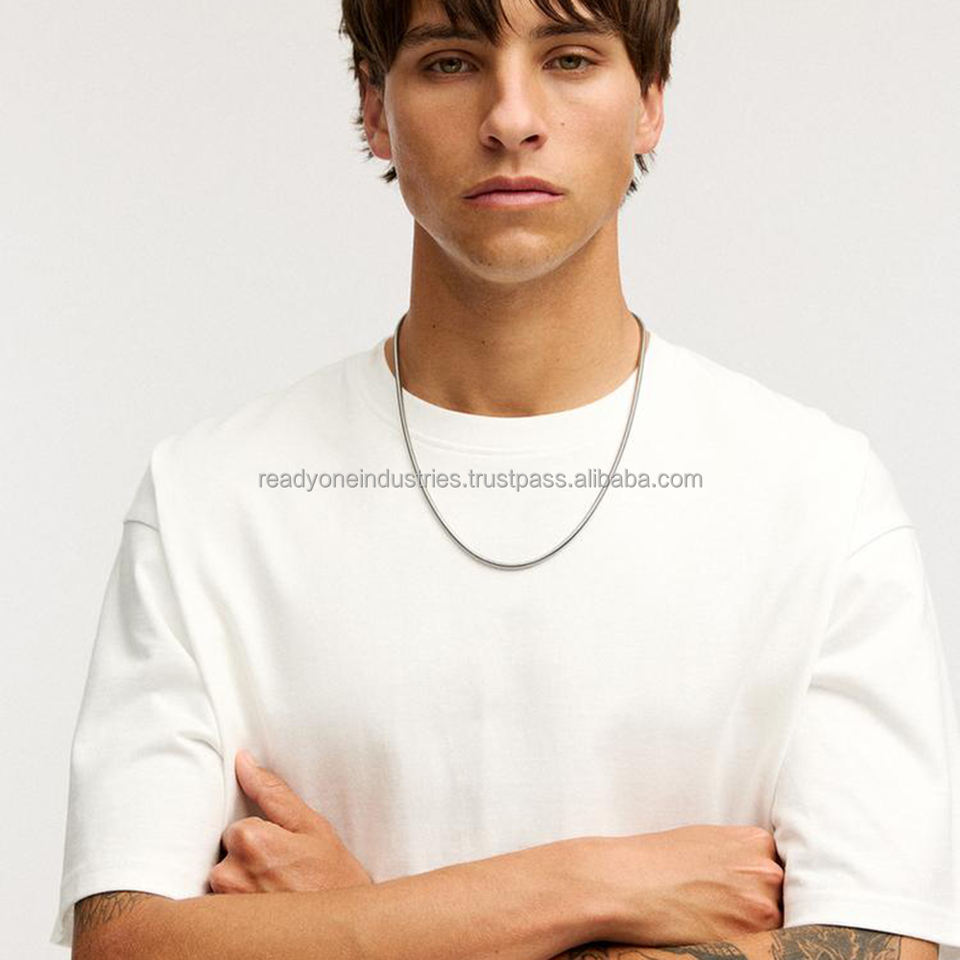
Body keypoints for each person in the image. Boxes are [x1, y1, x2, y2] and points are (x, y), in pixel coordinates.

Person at [52, 1, 960, 958]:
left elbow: (887, 947)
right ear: (375, 108)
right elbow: (122, 945)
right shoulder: (210, 500)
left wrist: (356, 919)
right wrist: (590, 886)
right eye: (450, 62)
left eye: (569, 59)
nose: (512, 118)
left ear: (650, 102)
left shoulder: (818, 496)